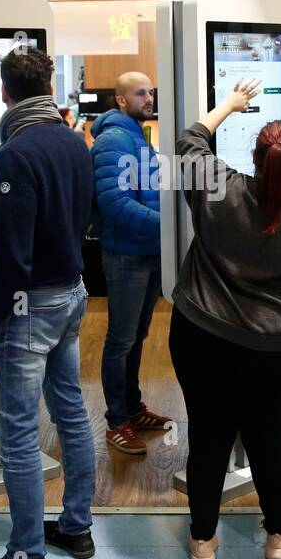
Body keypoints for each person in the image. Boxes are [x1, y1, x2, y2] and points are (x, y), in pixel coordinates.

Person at [171, 79, 281, 559]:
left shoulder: (219, 189)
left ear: (256, 158)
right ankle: (278, 536)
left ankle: (202, 542)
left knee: (208, 437)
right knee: (269, 442)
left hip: (201, 334)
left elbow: (188, 140)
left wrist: (230, 105)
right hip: (274, 348)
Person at [0, 47, 95, 559]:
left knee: (15, 431)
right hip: (72, 294)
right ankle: (76, 527)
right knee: (69, 407)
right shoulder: (73, 140)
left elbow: (12, 260)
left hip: (29, 307)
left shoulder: (16, 154)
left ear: (3, 91)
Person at [90, 71, 170, 455]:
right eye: (140, 93)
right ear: (120, 100)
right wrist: (169, 226)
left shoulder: (137, 136)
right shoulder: (112, 139)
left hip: (148, 252)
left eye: (151, 92)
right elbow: (115, 205)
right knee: (120, 341)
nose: (149, 98)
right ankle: (117, 421)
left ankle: (133, 408)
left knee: (136, 337)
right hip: (125, 255)